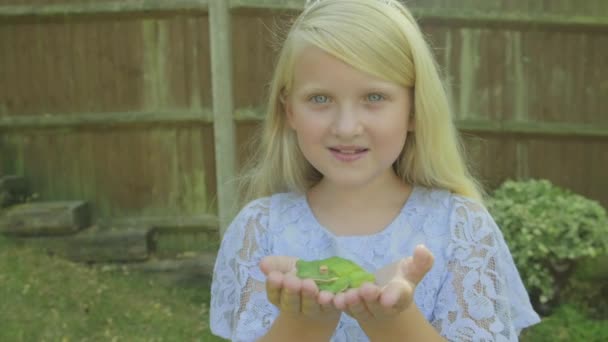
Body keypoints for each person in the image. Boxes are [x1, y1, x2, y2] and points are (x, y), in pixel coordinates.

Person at [210, 0, 540, 340]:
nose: (347, 127)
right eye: (320, 99)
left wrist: (392, 322)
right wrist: (304, 322)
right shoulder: (258, 230)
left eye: (374, 97)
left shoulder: (462, 229)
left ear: (414, 110)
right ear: (289, 111)